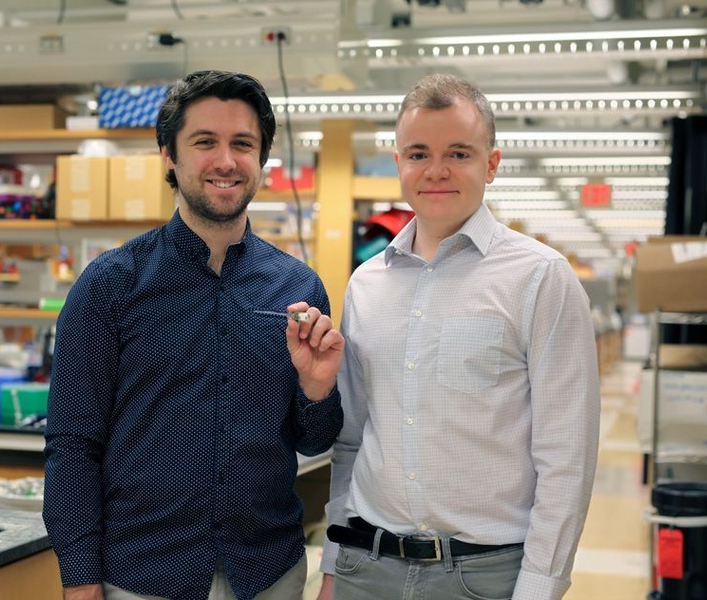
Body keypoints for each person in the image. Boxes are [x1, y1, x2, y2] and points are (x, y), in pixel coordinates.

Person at [43, 70, 344, 600]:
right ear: (169, 155)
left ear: (262, 159)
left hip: (269, 574)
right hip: (144, 577)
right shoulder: (111, 285)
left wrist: (317, 390)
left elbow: (314, 441)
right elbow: (73, 444)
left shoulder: (298, 289)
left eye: (243, 144)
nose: (226, 161)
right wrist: (81, 578)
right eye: (205, 142)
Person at [317, 73, 600, 600]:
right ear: (398, 162)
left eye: (459, 153)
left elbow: (567, 459)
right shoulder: (366, 284)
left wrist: (538, 590)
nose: (436, 170)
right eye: (418, 154)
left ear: (491, 164)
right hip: (366, 569)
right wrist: (334, 565)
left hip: (484, 578)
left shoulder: (541, 278)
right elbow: (351, 439)